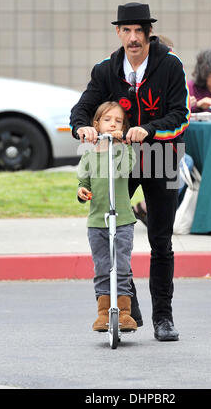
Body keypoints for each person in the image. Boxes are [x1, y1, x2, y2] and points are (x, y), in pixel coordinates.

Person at [70, 2, 190, 341]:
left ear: (149, 33)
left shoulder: (169, 65)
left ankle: (163, 319)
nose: (133, 38)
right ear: (119, 33)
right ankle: (128, 308)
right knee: (116, 234)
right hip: (121, 159)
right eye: (127, 31)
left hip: (160, 155)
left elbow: (180, 117)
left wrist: (148, 130)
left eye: (140, 31)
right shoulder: (107, 68)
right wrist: (84, 128)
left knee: (161, 240)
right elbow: (82, 109)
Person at [77, 101, 137, 332]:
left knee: (121, 266)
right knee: (102, 267)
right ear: (96, 125)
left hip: (121, 220)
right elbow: (83, 183)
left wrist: (122, 143)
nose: (112, 124)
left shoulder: (122, 151)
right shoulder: (89, 156)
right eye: (107, 120)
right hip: (97, 222)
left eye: (118, 121)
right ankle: (103, 313)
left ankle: (124, 313)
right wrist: (81, 192)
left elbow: (125, 169)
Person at [132, 35, 195, 227]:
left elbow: (179, 114)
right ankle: (149, 208)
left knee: (183, 163)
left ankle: (151, 209)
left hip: (168, 146)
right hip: (143, 148)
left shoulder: (175, 79)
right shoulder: (140, 81)